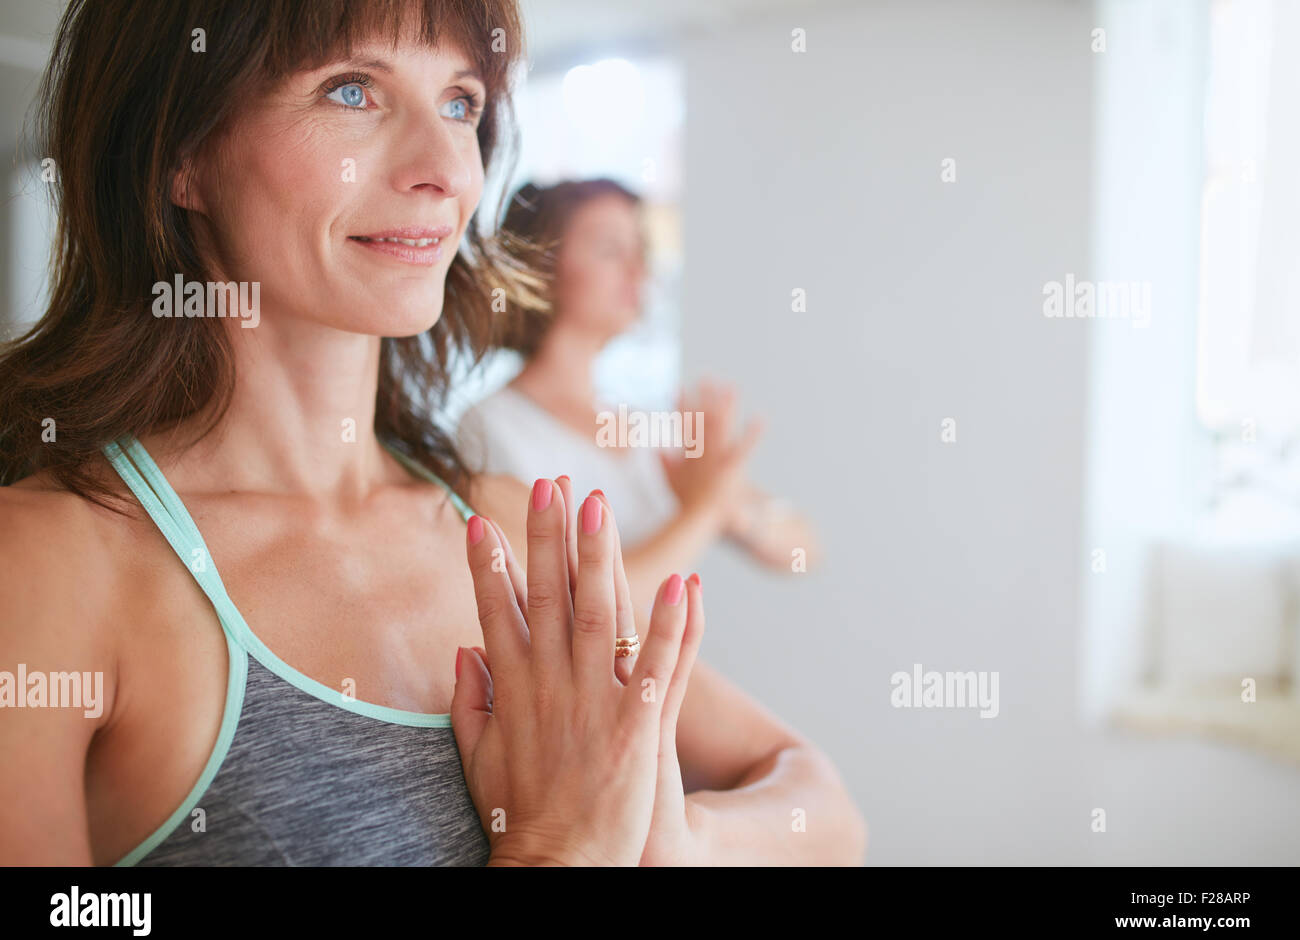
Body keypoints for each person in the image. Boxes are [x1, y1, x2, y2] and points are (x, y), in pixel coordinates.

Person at [0, 0, 865, 866]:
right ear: (181, 153)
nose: (447, 167)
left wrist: (672, 841)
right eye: (351, 90)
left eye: (460, 103)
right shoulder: (47, 564)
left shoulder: (502, 525)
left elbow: (821, 807)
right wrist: (556, 851)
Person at [457, 179, 818, 622]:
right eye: (611, 250)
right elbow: (586, 613)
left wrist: (731, 509)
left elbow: (802, 547)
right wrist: (705, 510)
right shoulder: (489, 428)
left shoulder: (644, 425)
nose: (638, 271)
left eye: (640, 251)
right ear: (540, 267)